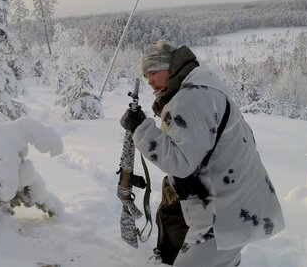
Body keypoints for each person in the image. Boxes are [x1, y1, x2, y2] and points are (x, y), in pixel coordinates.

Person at [120, 40, 285, 266]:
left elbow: (181, 162)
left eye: (153, 72)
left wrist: (141, 129)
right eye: (145, 74)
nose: (149, 80)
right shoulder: (203, 84)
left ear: (172, 67)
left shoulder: (189, 99)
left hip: (222, 213)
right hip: (239, 199)